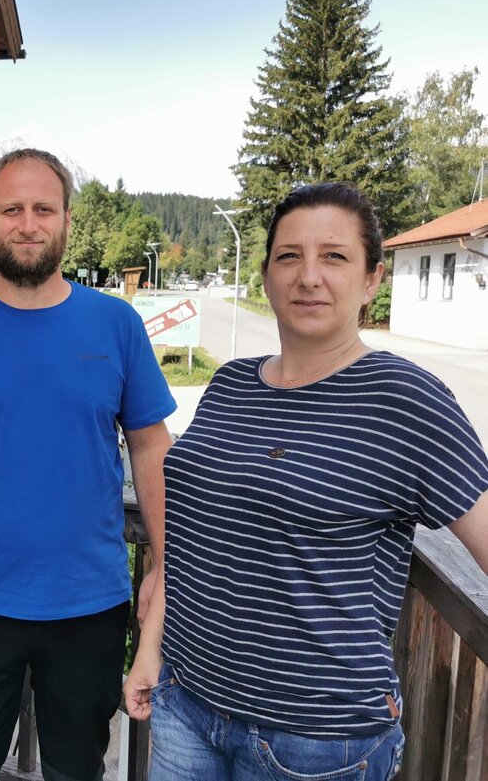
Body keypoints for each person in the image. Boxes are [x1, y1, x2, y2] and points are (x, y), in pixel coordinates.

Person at [123, 182, 488, 781]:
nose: (309, 276)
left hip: (314, 743)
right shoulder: (231, 385)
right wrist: (151, 652)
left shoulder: (405, 400)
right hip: (187, 707)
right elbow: (191, 541)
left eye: (335, 257)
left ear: (372, 280)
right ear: (266, 275)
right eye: (289, 256)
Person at [0, 148, 176, 781]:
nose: (27, 223)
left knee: (77, 771)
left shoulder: (116, 325)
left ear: (67, 220)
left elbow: (152, 447)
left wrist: (162, 559)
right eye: (12, 209)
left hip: (88, 602)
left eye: (43, 209)